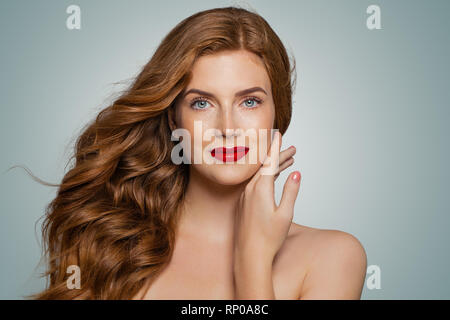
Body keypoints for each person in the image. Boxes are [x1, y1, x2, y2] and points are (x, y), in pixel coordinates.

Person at [31, 6, 366, 300]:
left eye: (249, 101)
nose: (228, 127)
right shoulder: (106, 239)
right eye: (201, 103)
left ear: (278, 113)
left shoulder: (332, 258)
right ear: (174, 118)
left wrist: (252, 258)